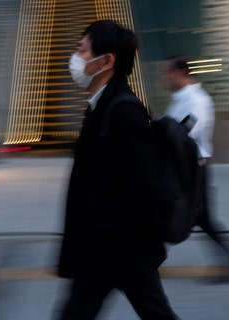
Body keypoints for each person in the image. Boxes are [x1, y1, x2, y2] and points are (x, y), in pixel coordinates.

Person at [55, 20, 177, 319]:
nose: (76, 57)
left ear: (107, 60)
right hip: (109, 246)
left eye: (82, 50)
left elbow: (144, 185)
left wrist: (112, 237)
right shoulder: (103, 106)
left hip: (117, 247)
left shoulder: (123, 111)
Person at [163, 55, 229, 282]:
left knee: (201, 217)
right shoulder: (180, 99)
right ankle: (150, 260)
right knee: (172, 211)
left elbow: (185, 132)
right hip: (182, 166)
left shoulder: (197, 100)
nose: (165, 78)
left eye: (168, 73)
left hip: (194, 168)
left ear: (182, 73)